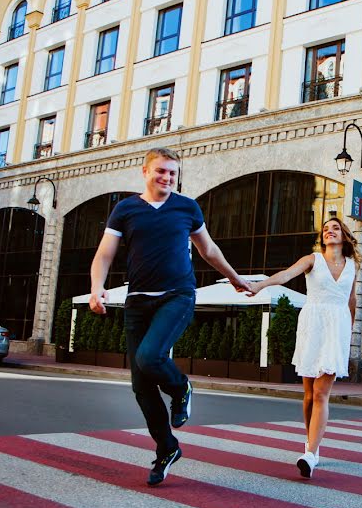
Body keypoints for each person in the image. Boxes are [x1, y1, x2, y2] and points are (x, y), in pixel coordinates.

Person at [89, 147, 251, 486]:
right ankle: (167, 447)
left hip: (177, 295)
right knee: (140, 385)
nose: (167, 178)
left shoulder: (186, 207)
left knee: (150, 357)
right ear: (145, 171)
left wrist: (236, 279)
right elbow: (105, 253)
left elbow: (208, 250)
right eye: (161, 171)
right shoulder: (126, 209)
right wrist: (96, 287)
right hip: (137, 302)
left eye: (172, 173)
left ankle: (181, 388)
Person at [246, 217, 360, 478]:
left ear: (344, 235)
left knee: (321, 393)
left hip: (337, 329)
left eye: (335, 228)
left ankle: (310, 453)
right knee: (308, 394)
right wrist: (260, 285)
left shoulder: (352, 266)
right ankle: (312, 446)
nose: (329, 231)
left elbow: (351, 300)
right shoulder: (312, 260)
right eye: (326, 229)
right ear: (322, 238)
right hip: (313, 325)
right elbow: (286, 275)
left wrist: (348, 335)